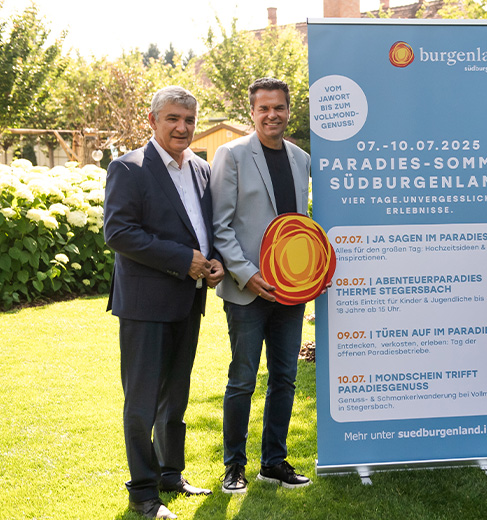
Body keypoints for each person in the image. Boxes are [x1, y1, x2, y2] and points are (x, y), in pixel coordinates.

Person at [104, 86, 224, 519]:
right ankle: (142, 492)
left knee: (176, 395)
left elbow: (202, 228)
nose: (182, 127)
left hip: (188, 300)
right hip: (145, 303)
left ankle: (171, 474)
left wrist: (214, 260)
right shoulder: (128, 167)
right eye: (173, 118)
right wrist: (183, 259)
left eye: (189, 120)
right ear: (152, 120)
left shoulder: (201, 168)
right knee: (142, 402)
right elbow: (118, 232)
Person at [210, 77, 312, 493]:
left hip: (291, 291)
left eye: (279, 107)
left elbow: (301, 226)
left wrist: (312, 274)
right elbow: (220, 226)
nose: (272, 115)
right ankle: (234, 465)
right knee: (243, 381)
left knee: (284, 378)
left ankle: (273, 462)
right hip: (247, 290)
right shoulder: (231, 155)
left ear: (289, 110)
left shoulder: (302, 159)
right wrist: (248, 274)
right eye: (264, 108)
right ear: (252, 112)